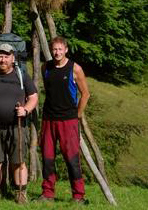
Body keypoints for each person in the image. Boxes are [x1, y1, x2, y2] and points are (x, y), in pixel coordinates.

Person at [0, 42, 38, 204]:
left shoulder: (21, 75)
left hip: (16, 126)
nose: (2, 60)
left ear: (13, 58)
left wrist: (25, 110)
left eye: (6, 56)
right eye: (0, 56)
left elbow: (33, 97)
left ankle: (21, 193)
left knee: (18, 160)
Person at [38, 36, 90, 203]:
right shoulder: (45, 67)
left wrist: (78, 115)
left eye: (60, 49)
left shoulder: (75, 69)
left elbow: (85, 95)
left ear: (66, 50)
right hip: (48, 119)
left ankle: (78, 196)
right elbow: (48, 90)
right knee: (47, 157)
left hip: (68, 120)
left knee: (72, 158)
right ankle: (47, 193)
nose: (57, 52)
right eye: (54, 49)